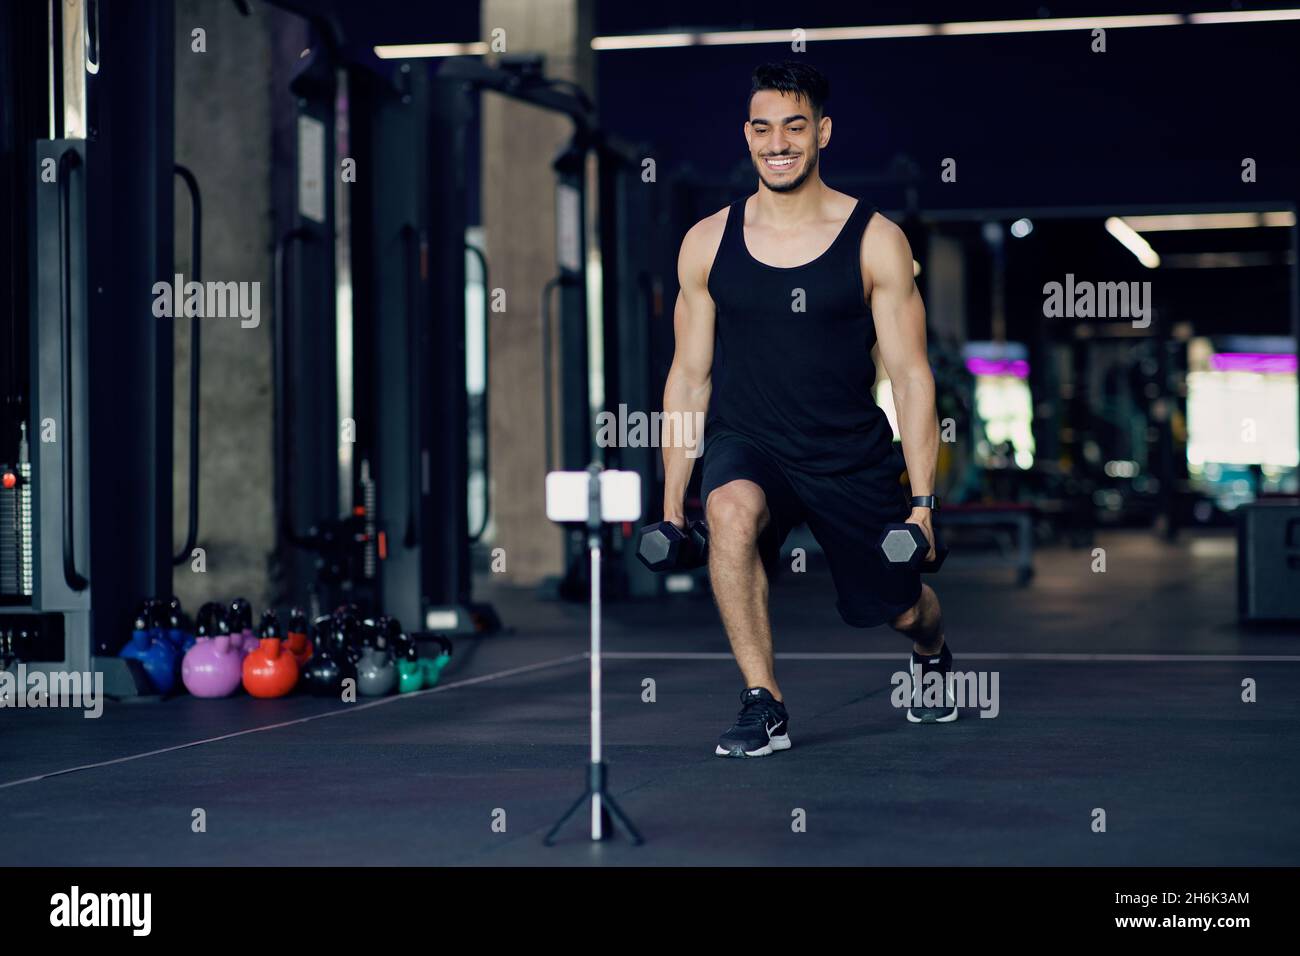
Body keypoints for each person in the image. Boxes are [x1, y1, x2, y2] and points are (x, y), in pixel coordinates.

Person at [661, 61, 954, 758]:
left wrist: (922, 503)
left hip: (846, 452)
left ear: (821, 131)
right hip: (749, 440)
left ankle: (934, 652)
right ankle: (764, 704)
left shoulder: (876, 239)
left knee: (904, 608)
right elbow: (688, 377)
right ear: (747, 136)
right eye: (763, 129)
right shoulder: (707, 242)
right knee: (728, 510)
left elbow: (912, 378)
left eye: (794, 126)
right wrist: (674, 502)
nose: (778, 143)